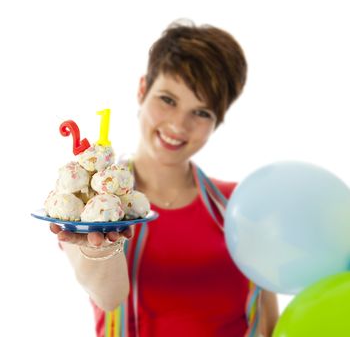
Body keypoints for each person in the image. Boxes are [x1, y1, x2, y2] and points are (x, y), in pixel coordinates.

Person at [50, 20, 279, 337]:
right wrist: (99, 245)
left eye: (201, 112)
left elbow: (268, 323)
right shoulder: (91, 201)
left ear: (217, 122)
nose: (178, 126)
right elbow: (108, 296)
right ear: (142, 90)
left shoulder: (241, 205)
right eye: (168, 100)